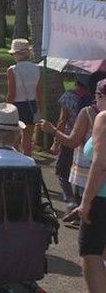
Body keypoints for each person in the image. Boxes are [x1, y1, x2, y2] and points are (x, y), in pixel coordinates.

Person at [39, 74, 106, 224]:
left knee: (62, 171)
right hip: (95, 173)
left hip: (86, 171)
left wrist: (53, 131)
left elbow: (72, 140)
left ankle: (72, 203)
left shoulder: (88, 112)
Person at [76, 82, 106, 292]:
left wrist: (85, 202)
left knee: (90, 252)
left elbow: (100, 164)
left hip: (102, 197)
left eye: (96, 95)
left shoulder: (103, 118)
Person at [53, 75, 92, 213]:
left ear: (76, 81)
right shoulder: (94, 98)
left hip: (68, 137)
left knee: (62, 170)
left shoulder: (68, 96)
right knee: (81, 172)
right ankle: (79, 202)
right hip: (87, 141)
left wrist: (56, 142)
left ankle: (70, 201)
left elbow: (62, 121)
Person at [6, 38, 42, 156]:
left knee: (15, 138)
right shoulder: (37, 68)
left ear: (17, 54)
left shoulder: (13, 70)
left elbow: (11, 93)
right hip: (31, 104)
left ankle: (15, 160)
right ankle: (28, 161)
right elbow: (39, 92)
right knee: (28, 138)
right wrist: (40, 108)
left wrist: (7, 107)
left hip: (17, 104)